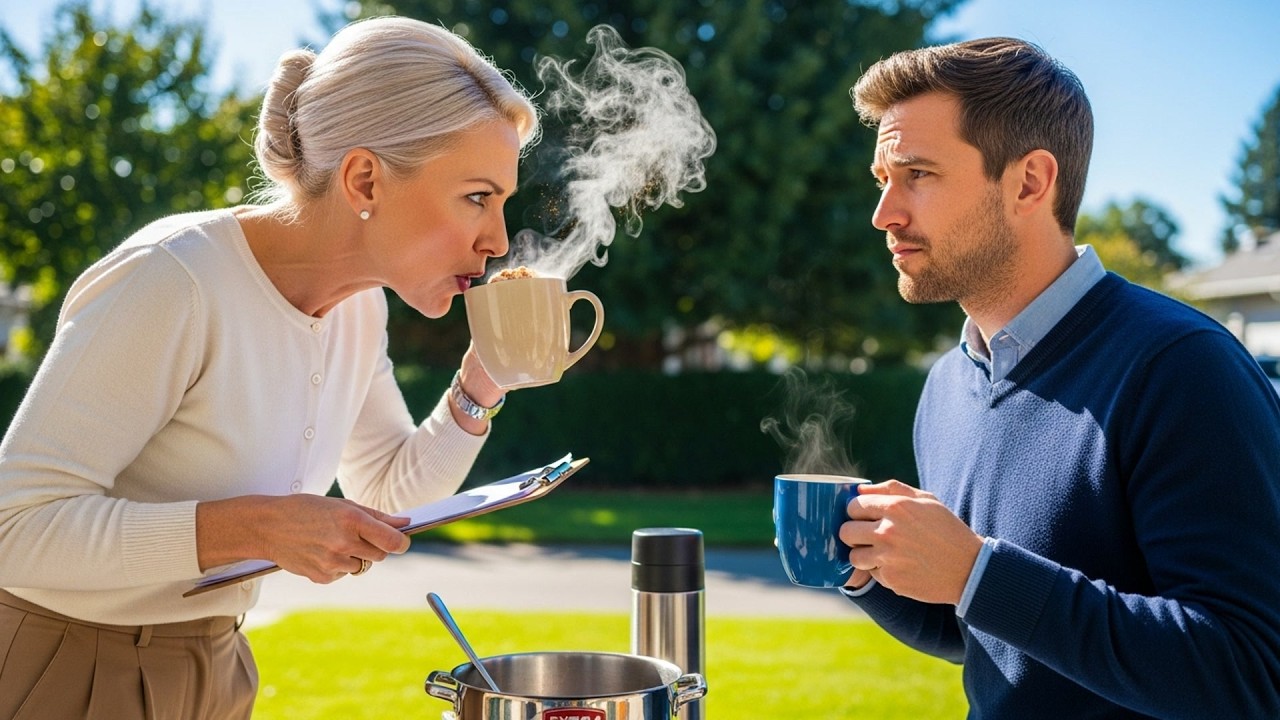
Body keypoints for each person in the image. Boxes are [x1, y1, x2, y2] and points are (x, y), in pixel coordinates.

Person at [0, 16, 540, 719]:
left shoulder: (357, 310)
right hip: (65, 667)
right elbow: (15, 528)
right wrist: (256, 528)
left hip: (217, 664)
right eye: (477, 197)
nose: (497, 239)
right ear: (366, 178)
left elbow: (385, 490)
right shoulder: (173, 281)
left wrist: (482, 380)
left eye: (502, 203)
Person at [838, 37, 1280, 718]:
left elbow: (1246, 673)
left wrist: (977, 572)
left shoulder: (1183, 367)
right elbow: (994, 636)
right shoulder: (949, 387)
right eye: (882, 180)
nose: (884, 214)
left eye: (918, 174)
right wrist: (872, 573)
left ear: (1029, 182)